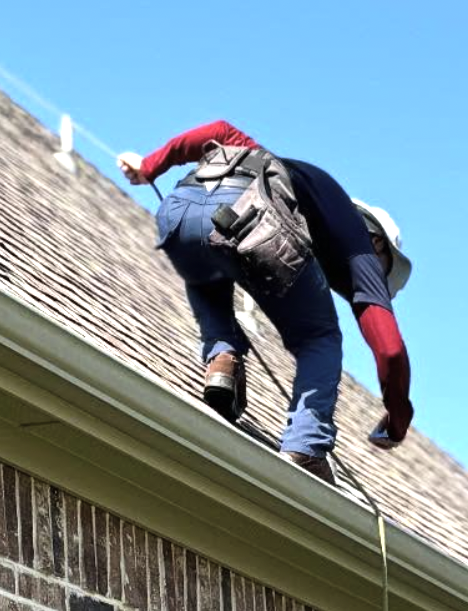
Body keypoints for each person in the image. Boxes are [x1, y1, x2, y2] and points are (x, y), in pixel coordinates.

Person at [119, 120, 413, 484]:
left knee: (208, 264)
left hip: (180, 212)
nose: (376, 281)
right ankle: (306, 447)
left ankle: (223, 358)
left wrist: (150, 166)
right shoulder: (359, 245)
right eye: (383, 272)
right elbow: (390, 350)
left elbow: (218, 131)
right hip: (252, 223)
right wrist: (398, 419)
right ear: (379, 243)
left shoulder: (280, 171)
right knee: (319, 338)